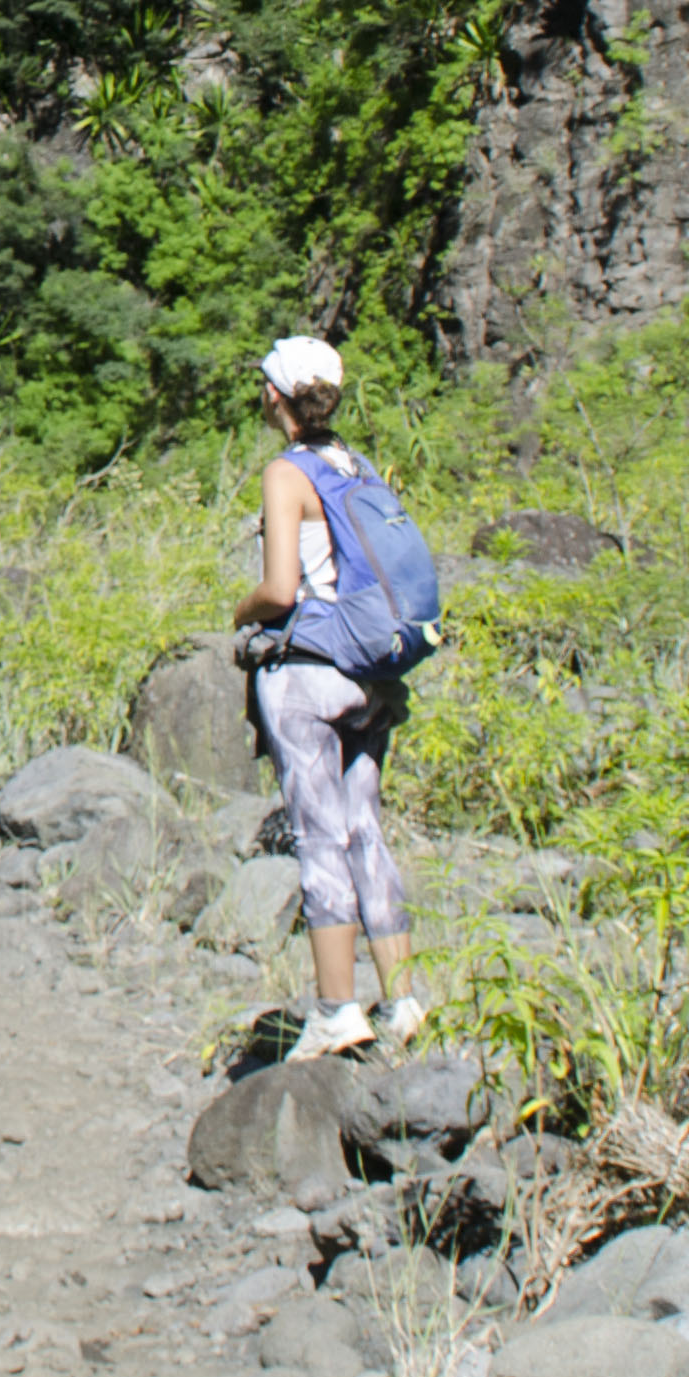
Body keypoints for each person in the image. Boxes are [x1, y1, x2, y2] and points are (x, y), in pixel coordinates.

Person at [231, 331, 424, 1061]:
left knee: (318, 836)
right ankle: (401, 1002)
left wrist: (242, 612)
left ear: (274, 395)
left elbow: (282, 589)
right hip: (371, 670)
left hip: (310, 671)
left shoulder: (287, 473)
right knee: (365, 830)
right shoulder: (358, 465)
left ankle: (338, 1010)